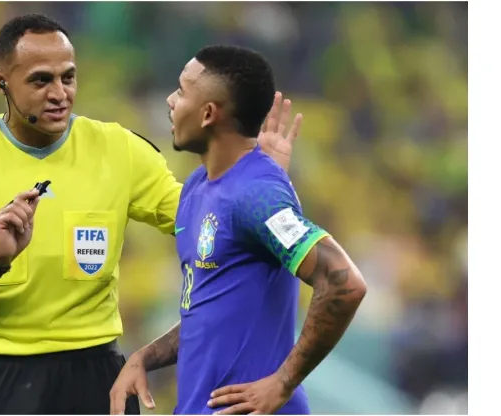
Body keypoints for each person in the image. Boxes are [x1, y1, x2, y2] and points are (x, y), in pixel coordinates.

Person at [0, 13, 299, 415]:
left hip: (93, 379)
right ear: (2, 84)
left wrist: (258, 178)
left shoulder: (120, 150)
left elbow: (214, 225)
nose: (59, 93)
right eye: (41, 80)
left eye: (68, 77)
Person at [109, 46, 368, 415]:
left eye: (182, 91)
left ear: (208, 113)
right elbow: (210, 313)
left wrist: (283, 382)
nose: (170, 100)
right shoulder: (198, 188)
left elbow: (345, 283)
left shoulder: (255, 193)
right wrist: (145, 357)